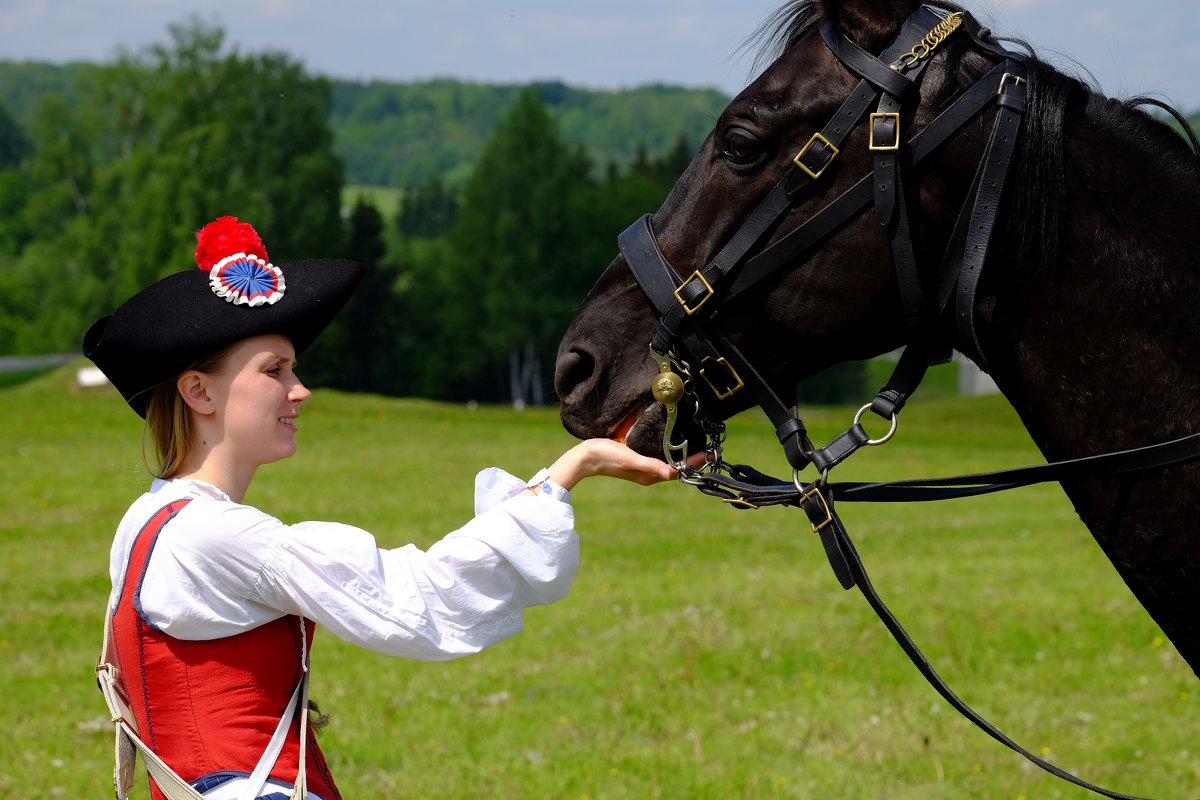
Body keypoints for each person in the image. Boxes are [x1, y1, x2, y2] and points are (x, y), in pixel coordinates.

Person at [84, 216, 683, 800]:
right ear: (198, 391)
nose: (300, 390)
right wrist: (569, 470)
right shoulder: (221, 538)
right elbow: (422, 598)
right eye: (274, 371)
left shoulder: (148, 519)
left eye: (293, 368)